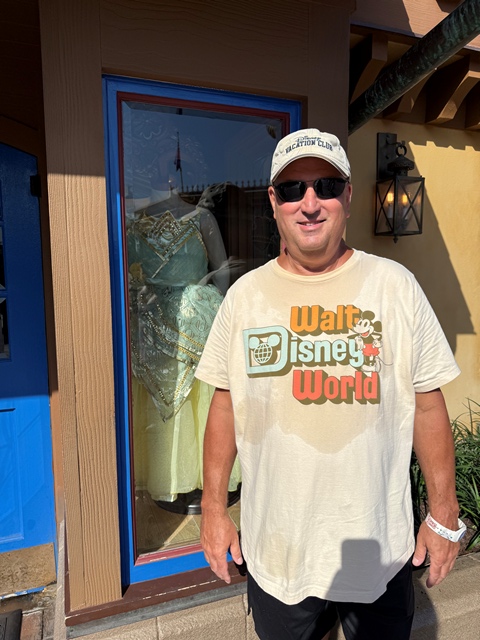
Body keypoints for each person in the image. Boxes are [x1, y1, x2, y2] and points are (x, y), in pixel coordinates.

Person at [194, 128, 463, 640]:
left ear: (348, 196)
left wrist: (443, 513)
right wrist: (213, 509)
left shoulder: (395, 287)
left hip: (379, 552)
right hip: (277, 554)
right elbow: (225, 407)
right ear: (273, 202)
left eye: (326, 186)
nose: (310, 203)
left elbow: (428, 406)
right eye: (292, 189)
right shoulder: (245, 298)